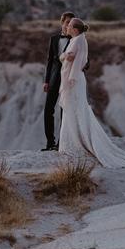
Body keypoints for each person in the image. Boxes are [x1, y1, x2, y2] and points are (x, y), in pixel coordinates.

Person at [57, 18, 125, 168]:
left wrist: (66, 65)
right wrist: (65, 58)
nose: (66, 27)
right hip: (75, 79)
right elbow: (67, 58)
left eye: (69, 25)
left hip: (73, 80)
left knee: (75, 109)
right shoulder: (78, 39)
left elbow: (70, 59)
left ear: (75, 29)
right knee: (75, 110)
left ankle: (78, 143)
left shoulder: (77, 41)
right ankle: (77, 140)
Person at [42, 12, 76, 151]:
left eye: (71, 22)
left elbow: (86, 62)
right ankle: (50, 143)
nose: (69, 25)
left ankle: (61, 144)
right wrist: (46, 80)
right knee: (48, 110)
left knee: (64, 111)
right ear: (62, 23)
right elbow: (50, 61)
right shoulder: (54, 39)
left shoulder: (76, 39)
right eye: (67, 22)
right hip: (54, 78)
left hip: (68, 80)